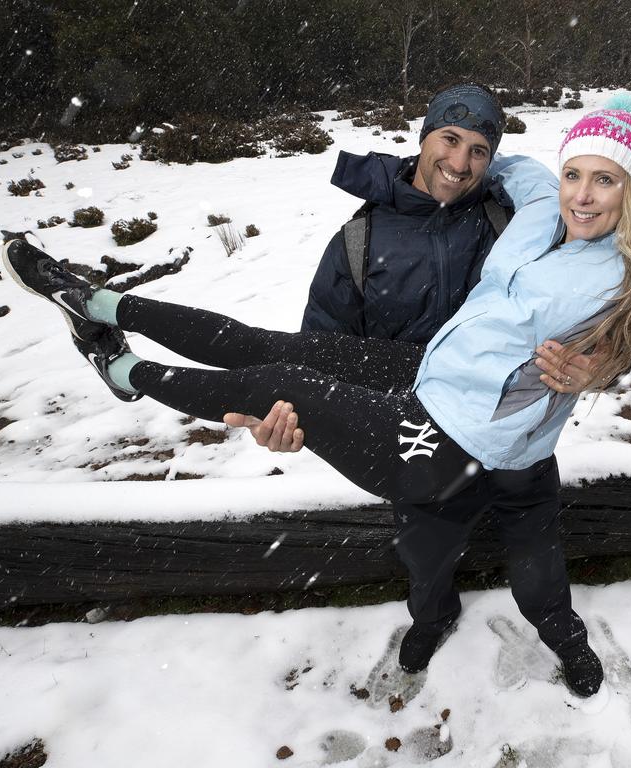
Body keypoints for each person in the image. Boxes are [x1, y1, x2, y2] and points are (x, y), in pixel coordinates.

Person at [0, 98, 631, 698]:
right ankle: (97, 296)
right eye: (577, 172)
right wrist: (381, 164)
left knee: (518, 555)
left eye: (609, 180)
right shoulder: (531, 205)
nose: (583, 194)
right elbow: (493, 153)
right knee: (275, 350)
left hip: (453, 442)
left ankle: (119, 370)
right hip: (425, 385)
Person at [224, 83, 603, 679]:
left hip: (517, 430)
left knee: (538, 551)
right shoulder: (358, 242)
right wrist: (279, 414)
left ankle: (560, 627)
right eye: (449, 140)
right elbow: (321, 355)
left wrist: (599, 362)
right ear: (422, 138)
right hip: (419, 437)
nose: (460, 163)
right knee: (426, 555)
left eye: (479, 150)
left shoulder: (520, 229)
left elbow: (595, 302)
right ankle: (432, 617)